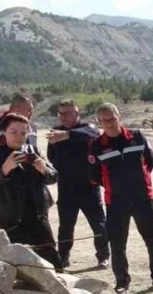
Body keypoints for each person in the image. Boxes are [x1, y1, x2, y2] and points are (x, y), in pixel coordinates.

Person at [88, 103, 153, 293]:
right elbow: (94, 176)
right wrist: (115, 187)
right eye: (104, 120)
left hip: (143, 199)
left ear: (119, 117)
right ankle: (122, 281)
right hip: (116, 202)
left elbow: (151, 161)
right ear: (99, 122)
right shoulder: (96, 146)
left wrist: (139, 182)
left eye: (112, 118)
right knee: (117, 243)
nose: (109, 123)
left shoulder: (137, 136)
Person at [0, 113, 61, 269]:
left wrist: (43, 169)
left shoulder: (33, 151)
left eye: (23, 133)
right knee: (11, 261)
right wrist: (5, 168)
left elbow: (53, 177)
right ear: (4, 132)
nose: (19, 136)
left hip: (37, 213)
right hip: (10, 216)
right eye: (14, 132)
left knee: (50, 257)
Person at [47, 99, 108, 270]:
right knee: (65, 226)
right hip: (66, 189)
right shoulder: (55, 132)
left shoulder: (87, 128)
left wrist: (67, 136)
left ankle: (103, 256)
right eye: (60, 113)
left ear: (77, 113)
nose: (63, 117)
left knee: (99, 224)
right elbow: (52, 157)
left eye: (67, 113)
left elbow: (93, 133)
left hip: (89, 187)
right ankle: (63, 257)